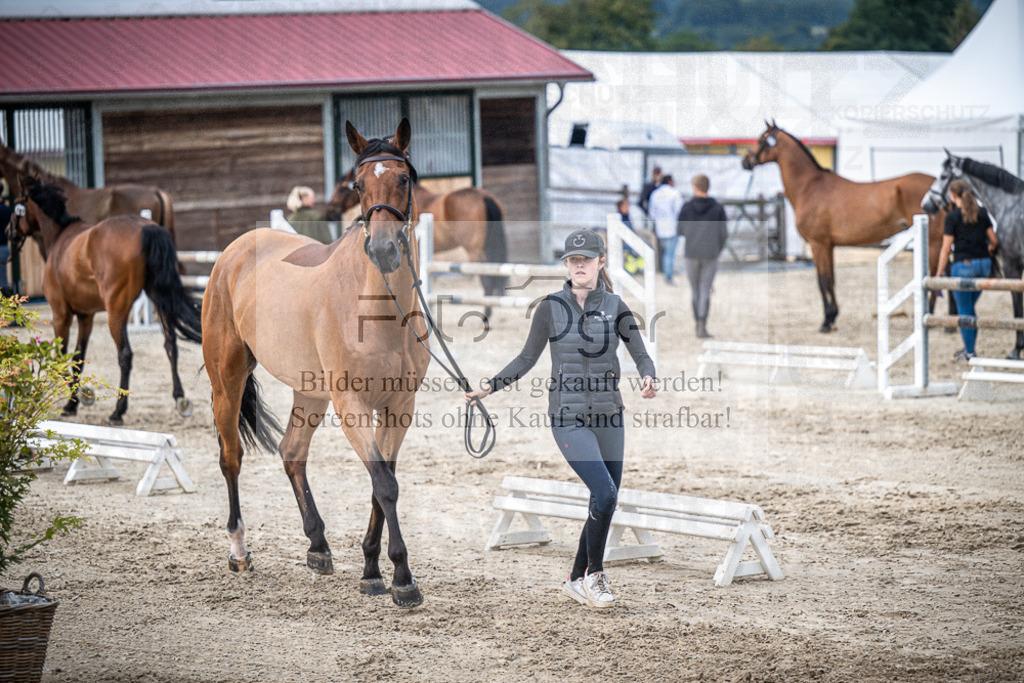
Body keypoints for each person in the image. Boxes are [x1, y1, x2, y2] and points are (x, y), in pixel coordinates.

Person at [463, 229, 657, 608]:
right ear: (567, 265)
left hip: (609, 416)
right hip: (568, 417)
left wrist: (649, 376)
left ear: (601, 261)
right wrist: (490, 386)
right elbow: (526, 358)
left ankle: (574, 578)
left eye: (586, 259)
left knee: (606, 500)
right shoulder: (550, 307)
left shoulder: (617, 306)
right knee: (604, 492)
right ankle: (595, 576)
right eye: (573, 260)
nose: (579, 265)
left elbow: (641, 354)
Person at [934, 179, 998, 361]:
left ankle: (969, 353)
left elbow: (946, 249)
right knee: (969, 309)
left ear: (953, 196)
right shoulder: (983, 213)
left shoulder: (952, 217)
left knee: (965, 311)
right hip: (984, 266)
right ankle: (969, 349)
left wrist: (939, 273)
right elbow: (993, 240)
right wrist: (991, 249)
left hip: (963, 266)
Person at [678, 174, 728, 339]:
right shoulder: (717, 208)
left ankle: (697, 324)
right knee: (705, 289)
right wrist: (718, 248)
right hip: (710, 253)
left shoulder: (687, 207)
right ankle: (702, 325)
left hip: (691, 252)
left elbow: (680, 230)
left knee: (695, 290)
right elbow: (723, 233)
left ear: (695, 187)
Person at [647, 175, 683, 284]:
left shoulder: (655, 194)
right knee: (670, 252)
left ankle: (666, 271)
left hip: (660, 227)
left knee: (665, 251)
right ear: (670, 181)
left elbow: (651, 213)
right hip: (672, 226)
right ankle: (668, 275)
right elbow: (679, 210)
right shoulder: (674, 193)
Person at [615, 197, 643, 275]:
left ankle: (638, 268)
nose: (628, 208)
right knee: (634, 249)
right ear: (620, 207)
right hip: (623, 242)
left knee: (646, 247)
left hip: (630, 240)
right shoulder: (618, 218)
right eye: (626, 206)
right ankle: (630, 270)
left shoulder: (627, 217)